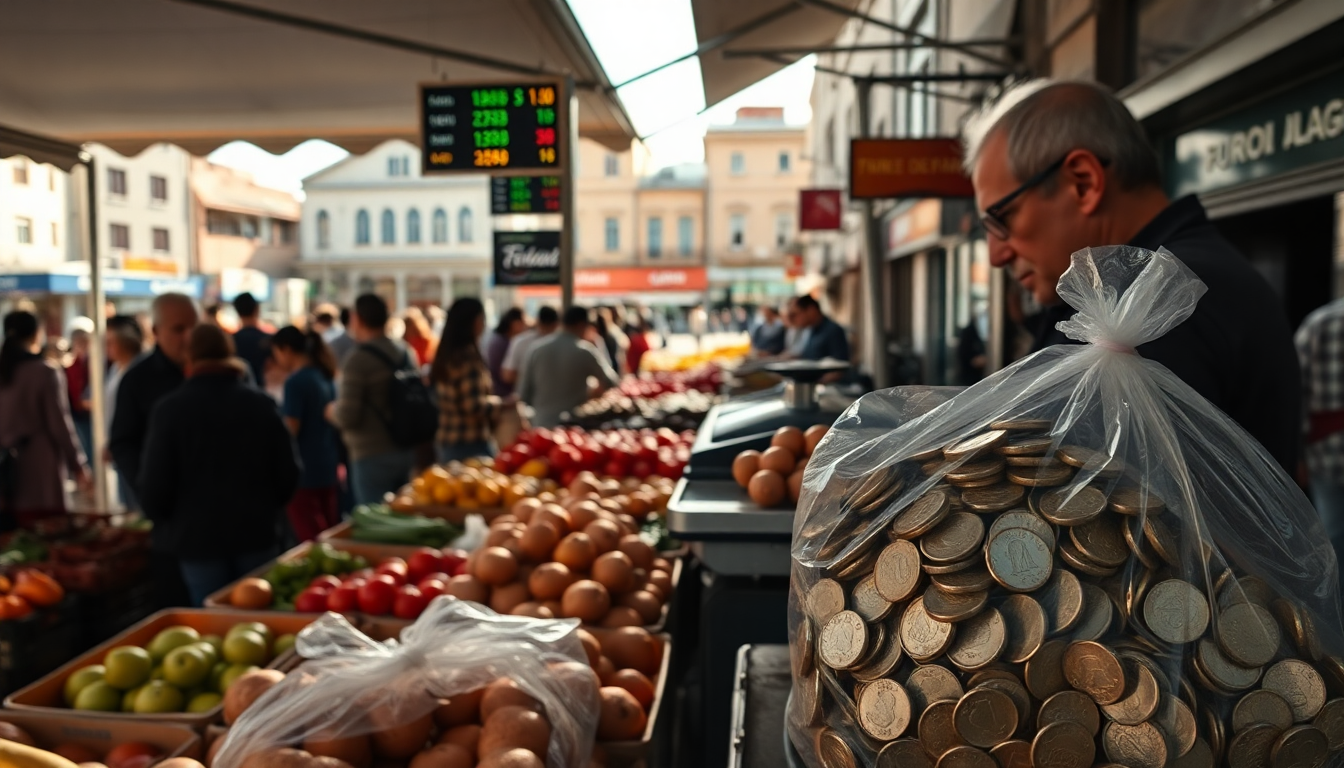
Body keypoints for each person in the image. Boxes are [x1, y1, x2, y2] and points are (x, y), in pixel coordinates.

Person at [964, 79, 1300, 472]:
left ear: (1083, 183)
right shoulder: (1179, 282)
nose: (996, 254)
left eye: (1002, 219)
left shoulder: (1150, 308)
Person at [139, 325, 299, 605]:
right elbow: (289, 472)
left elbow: (154, 484)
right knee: (260, 616)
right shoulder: (260, 404)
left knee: (214, 620)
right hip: (255, 531)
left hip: (197, 538)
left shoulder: (170, 410)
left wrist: (170, 522)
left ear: (189, 358)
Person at [109, 293, 198, 608]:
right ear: (156, 332)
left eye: (193, 326)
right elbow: (122, 441)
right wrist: (147, 487)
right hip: (171, 517)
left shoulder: (224, 371)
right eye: (178, 329)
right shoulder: (138, 380)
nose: (188, 337)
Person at [0, 311, 89, 529]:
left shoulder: (6, 371)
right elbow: (60, 424)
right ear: (36, 334)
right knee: (46, 538)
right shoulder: (45, 372)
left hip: (5, 468)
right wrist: (78, 465)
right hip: (40, 469)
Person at [327, 294, 415, 505]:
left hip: (371, 453)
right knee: (403, 517)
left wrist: (331, 411)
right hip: (407, 448)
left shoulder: (357, 360)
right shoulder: (404, 352)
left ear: (356, 319)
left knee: (376, 523)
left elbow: (348, 416)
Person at [271, 326, 341, 542]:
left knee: (311, 538)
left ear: (286, 350)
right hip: (328, 464)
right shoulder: (324, 375)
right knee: (330, 530)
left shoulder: (296, 382)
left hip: (304, 471)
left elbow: (291, 427)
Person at [1295, 299, 1344, 585]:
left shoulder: (1320, 322)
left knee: (1333, 540)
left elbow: (1294, 391)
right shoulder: (1320, 323)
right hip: (1326, 454)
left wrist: (1298, 455)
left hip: (1326, 455)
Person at [518, 306, 620, 428]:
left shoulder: (536, 349)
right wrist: (592, 392)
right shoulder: (585, 351)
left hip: (541, 425)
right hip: (574, 427)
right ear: (582, 325)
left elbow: (523, 393)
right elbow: (612, 381)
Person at [430, 298, 501, 463]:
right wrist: (501, 404)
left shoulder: (446, 355)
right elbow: (473, 406)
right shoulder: (468, 358)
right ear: (476, 322)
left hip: (447, 440)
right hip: (470, 443)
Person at [103, 316, 145, 510]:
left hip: (133, 449)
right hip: (121, 446)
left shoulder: (137, 371)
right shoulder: (116, 369)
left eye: (111, 342)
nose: (107, 347)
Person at [501, 306, 558, 389]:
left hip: (526, 396)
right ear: (556, 324)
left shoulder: (520, 341)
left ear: (538, 321)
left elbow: (508, 375)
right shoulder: (563, 346)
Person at [65, 321, 94, 462]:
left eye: (84, 340)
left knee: (92, 450)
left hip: (92, 413)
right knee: (83, 449)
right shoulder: (69, 363)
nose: (81, 344)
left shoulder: (97, 361)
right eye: (78, 341)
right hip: (77, 413)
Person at [231, 292, 272, 387]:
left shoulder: (230, 341)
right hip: (260, 391)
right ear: (257, 309)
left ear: (237, 312)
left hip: (236, 391)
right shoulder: (267, 340)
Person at [794, 295, 851, 362]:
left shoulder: (833, 330)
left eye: (797, 314)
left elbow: (840, 365)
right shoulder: (810, 330)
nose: (796, 319)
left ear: (811, 310)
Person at [484, 308, 526, 397]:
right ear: (514, 323)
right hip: (502, 393)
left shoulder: (500, 339)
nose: (524, 326)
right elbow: (506, 375)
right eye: (522, 322)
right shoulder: (502, 343)